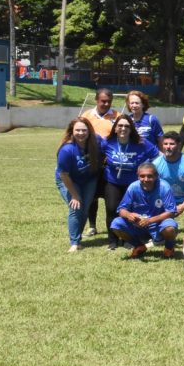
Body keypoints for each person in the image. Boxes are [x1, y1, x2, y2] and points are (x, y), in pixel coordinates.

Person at [102, 114, 160, 251]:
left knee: (132, 212)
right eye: (120, 125)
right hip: (113, 182)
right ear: (115, 128)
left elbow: (157, 156)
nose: (123, 128)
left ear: (131, 129)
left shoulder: (141, 142)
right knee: (111, 209)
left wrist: (149, 169)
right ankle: (113, 241)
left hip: (133, 184)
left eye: (127, 126)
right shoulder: (107, 142)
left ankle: (129, 239)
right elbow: (92, 149)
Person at [109, 162, 179, 259]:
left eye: (149, 176)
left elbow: (171, 212)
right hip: (138, 225)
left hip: (158, 225)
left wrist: (150, 220)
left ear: (156, 176)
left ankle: (169, 248)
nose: (146, 179)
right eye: (142, 176)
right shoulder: (133, 187)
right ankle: (139, 246)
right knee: (116, 224)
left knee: (170, 227)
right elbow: (121, 210)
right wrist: (129, 214)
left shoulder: (164, 187)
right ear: (138, 176)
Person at [55, 118, 103, 252]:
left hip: (89, 179)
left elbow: (110, 145)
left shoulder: (96, 141)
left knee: (85, 208)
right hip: (69, 180)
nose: (81, 133)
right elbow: (64, 174)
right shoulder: (67, 150)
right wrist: (75, 195)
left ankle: (78, 237)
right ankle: (75, 243)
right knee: (76, 207)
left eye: (84, 130)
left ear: (89, 131)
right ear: (72, 131)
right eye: (77, 130)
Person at [82, 87, 118, 237]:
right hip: (90, 162)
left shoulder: (117, 116)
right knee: (92, 195)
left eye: (109, 101)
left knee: (110, 196)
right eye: (103, 101)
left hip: (110, 162)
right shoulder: (86, 116)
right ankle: (92, 226)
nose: (106, 104)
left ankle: (113, 227)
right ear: (96, 100)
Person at [152, 131, 184, 227]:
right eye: (165, 144)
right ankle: (157, 231)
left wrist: (183, 206)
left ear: (179, 145)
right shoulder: (156, 164)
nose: (168, 147)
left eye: (171, 144)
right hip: (166, 197)